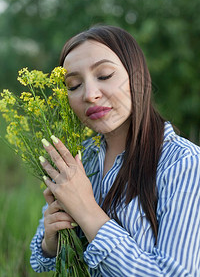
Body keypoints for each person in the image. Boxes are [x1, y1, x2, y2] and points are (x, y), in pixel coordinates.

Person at [30, 25, 200, 276]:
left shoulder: (183, 163)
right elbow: (39, 261)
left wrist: (86, 210)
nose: (90, 95)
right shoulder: (79, 158)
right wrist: (51, 242)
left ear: (138, 77)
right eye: (74, 85)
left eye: (105, 75)